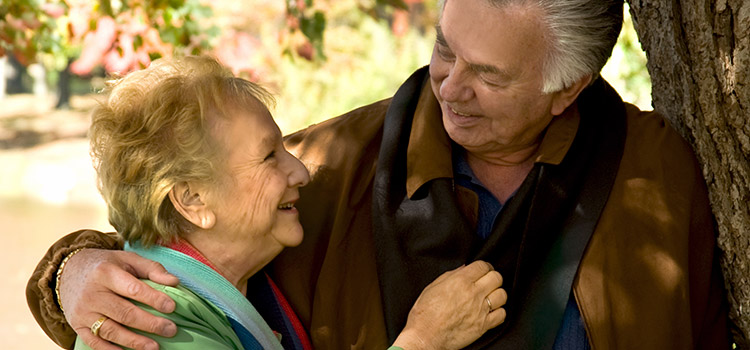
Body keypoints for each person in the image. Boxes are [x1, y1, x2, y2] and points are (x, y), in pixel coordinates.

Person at [27, 0, 731, 349]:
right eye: (445, 49)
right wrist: (70, 271)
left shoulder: (658, 169)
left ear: (567, 88)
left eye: (488, 75)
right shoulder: (332, 167)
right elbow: (176, 228)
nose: (449, 87)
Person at [51, 55, 507, 350]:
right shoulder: (158, 327)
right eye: (270, 156)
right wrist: (424, 340)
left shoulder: (224, 287)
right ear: (193, 199)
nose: (301, 171)